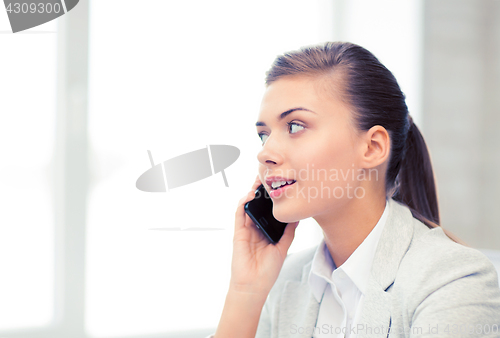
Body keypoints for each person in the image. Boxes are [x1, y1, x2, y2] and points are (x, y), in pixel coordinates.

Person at [207, 42, 500, 338]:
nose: (265, 153)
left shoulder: (452, 280)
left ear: (372, 147)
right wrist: (245, 292)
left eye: (295, 126)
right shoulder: (286, 282)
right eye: (263, 135)